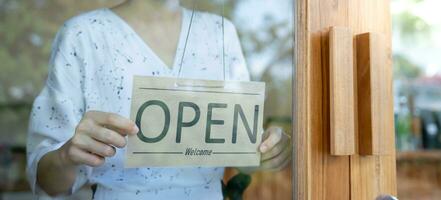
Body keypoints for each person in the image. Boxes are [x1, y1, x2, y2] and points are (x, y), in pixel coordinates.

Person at [26, 0, 291, 199]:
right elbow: (49, 181)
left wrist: (264, 150)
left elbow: (238, 144)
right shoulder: (83, 35)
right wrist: (64, 157)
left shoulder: (221, 32)